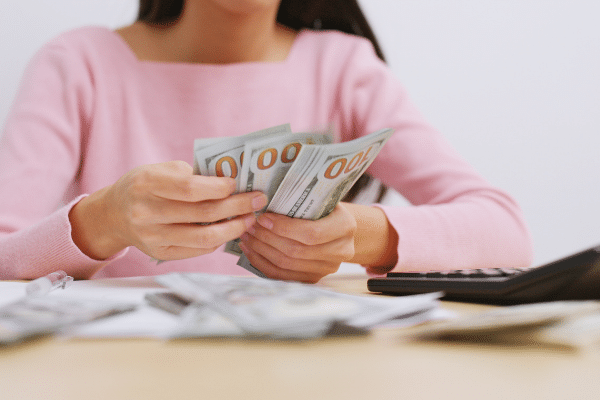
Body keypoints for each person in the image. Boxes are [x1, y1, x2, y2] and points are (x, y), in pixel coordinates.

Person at [0, 0, 533, 282]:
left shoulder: (343, 68)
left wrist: (355, 235)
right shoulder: (78, 65)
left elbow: (506, 233)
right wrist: (104, 219)